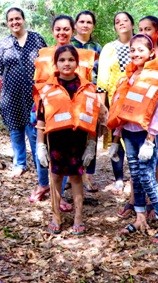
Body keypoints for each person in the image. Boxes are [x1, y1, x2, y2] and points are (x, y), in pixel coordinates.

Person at [107, 34, 158, 244]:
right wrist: (115, 140)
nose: (136, 54)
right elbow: (120, 110)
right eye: (132, 50)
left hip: (146, 136)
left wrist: (151, 139)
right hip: (128, 134)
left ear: (151, 53)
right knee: (134, 177)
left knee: (148, 179)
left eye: (140, 50)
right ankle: (139, 218)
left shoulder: (155, 77)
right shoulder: (127, 78)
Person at [35, 45, 100, 235]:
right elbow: (40, 119)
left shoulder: (87, 88)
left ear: (77, 63)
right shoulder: (47, 88)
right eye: (62, 60)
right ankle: (56, 215)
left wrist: (91, 144)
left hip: (78, 140)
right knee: (55, 177)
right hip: (56, 140)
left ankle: (79, 216)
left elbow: (93, 119)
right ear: (55, 63)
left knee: (76, 178)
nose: (66, 63)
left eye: (71, 60)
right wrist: (40, 145)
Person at [33, 15, 96, 211]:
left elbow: (90, 92)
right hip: (46, 112)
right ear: (53, 31)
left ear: (73, 30)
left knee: (73, 168)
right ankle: (46, 190)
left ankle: (71, 203)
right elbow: (36, 85)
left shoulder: (83, 56)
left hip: (76, 117)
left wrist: (92, 141)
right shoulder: (44, 54)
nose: (62, 33)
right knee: (49, 162)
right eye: (58, 29)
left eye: (66, 29)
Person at [0, 8, 49, 199]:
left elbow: (47, 63)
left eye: (18, 18)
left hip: (34, 94)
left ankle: (40, 168)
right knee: (15, 129)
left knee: (34, 132)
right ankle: (19, 164)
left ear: (24, 20)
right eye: (11, 19)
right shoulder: (3, 44)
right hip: (11, 94)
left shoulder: (36, 39)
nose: (15, 22)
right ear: (7, 23)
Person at [97, 11, 135, 193]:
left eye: (125, 20)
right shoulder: (109, 48)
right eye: (117, 21)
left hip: (138, 100)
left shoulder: (140, 44)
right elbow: (102, 79)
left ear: (132, 24)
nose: (121, 23)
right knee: (115, 139)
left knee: (136, 138)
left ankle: (137, 178)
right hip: (115, 100)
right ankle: (119, 178)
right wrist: (102, 105)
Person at [71, 11, 103, 193]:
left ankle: (89, 175)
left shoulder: (97, 47)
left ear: (93, 26)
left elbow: (101, 73)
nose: (85, 25)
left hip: (92, 94)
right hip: (72, 95)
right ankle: (72, 175)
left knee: (91, 135)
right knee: (72, 134)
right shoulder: (69, 44)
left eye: (89, 22)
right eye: (81, 21)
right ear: (76, 25)